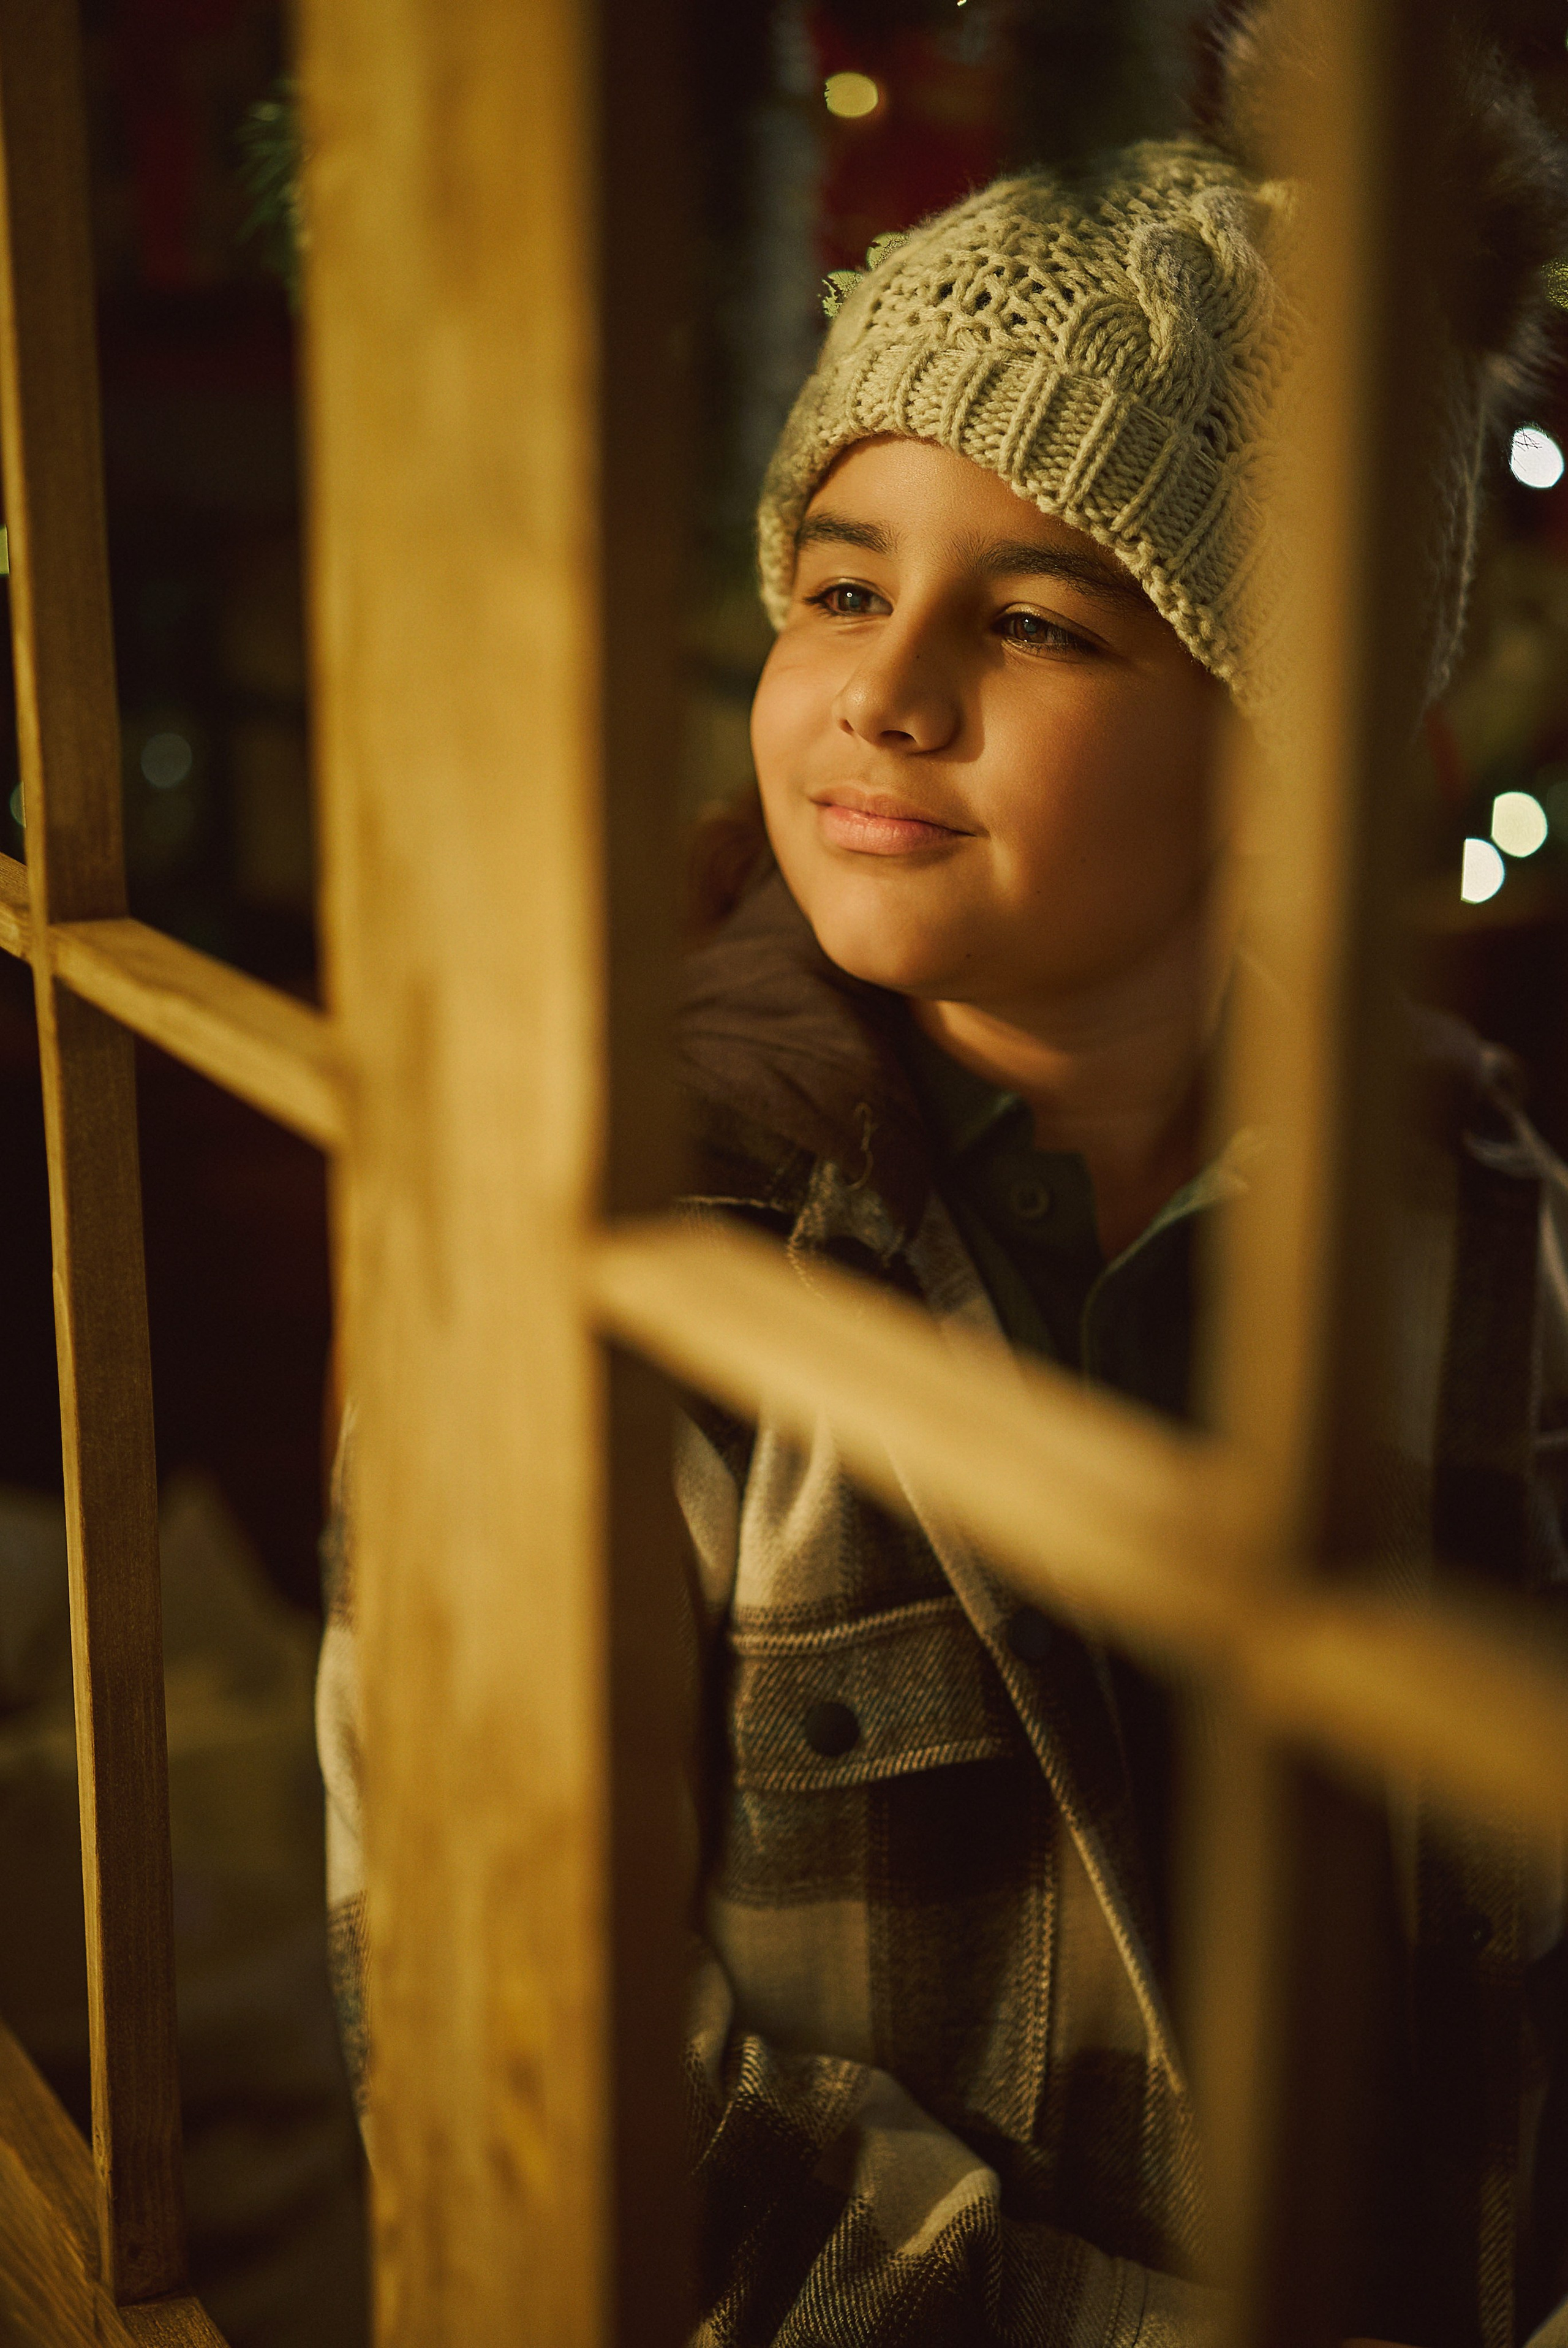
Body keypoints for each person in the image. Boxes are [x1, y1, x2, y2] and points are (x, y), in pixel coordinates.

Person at [317, 10, 1568, 2341]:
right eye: (837, 582)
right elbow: (532, 2039)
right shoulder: (642, 1227)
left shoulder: (1486, 1224)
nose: (883, 696)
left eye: (1036, 620)